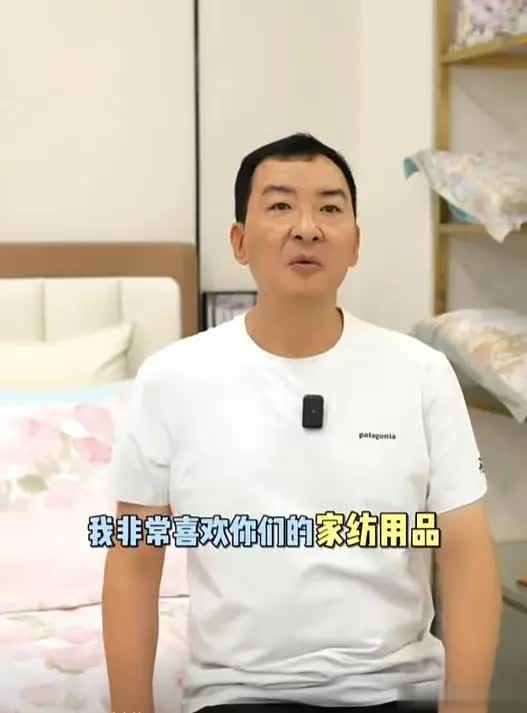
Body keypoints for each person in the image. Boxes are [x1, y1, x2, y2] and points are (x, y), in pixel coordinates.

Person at [102, 133, 502, 713]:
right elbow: (134, 562)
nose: (307, 228)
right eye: (281, 205)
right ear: (239, 241)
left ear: (355, 243)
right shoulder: (172, 379)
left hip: (396, 687)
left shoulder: (421, 373)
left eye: (330, 208)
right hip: (240, 694)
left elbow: (465, 551)